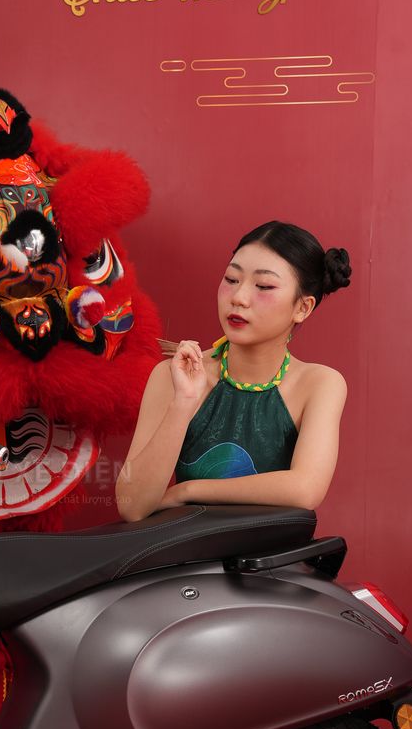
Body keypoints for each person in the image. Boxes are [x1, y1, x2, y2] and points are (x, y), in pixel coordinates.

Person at [115, 221, 351, 522]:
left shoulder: (319, 384)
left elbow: (305, 489)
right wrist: (184, 402)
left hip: (273, 552)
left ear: (302, 308)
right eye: (231, 279)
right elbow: (132, 507)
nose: (238, 297)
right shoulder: (173, 376)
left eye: (263, 286)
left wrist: (187, 491)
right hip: (190, 551)